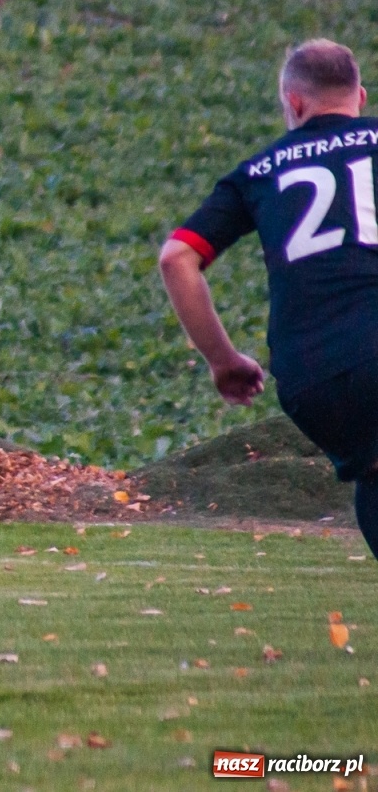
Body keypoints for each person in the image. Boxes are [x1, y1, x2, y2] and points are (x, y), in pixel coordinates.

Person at [161, 38, 378, 556]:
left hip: (312, 376)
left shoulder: (258, 172)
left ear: (294, 102)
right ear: (361, 99)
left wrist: (224, 361)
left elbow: (177, 258)